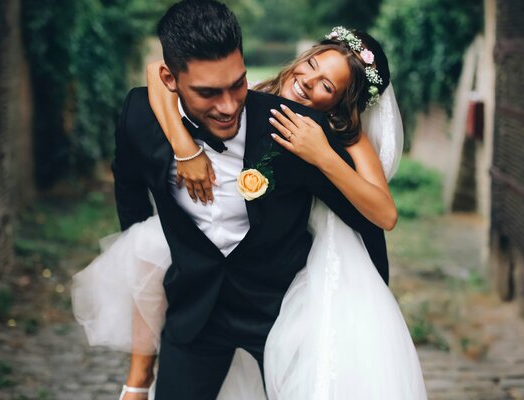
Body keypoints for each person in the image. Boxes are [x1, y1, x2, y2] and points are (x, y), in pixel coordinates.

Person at [72, 1, 426, 399]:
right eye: (311, 66)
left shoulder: (313, 132)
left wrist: (323, 154)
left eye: (327, 85)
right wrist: (183, 146)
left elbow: (378, 215)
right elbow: (156, 75)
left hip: (278, 303)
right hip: (196, 310)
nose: (227, 105)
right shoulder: (154, 110)